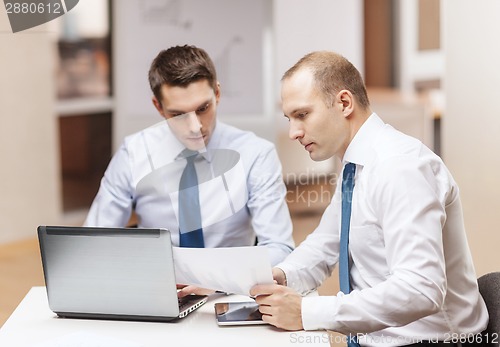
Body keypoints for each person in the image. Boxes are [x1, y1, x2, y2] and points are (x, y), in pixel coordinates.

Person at [250, 51, 488, 346]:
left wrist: (306, 311)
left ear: (344, 103)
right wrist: (280, 276)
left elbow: (421, 289)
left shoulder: (400, 167)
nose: (293, 133)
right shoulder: (356, 165)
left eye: (302, 115)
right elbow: (324, 244)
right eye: (289, 118)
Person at [84, 45, 294, 268]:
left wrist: (218, 276)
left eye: (203, 108)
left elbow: (280, 248)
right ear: (159, 107)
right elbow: (93, 243)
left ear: (217, 94)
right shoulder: (133, 153)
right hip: (158, 285)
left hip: (230, 290)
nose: (195, 127)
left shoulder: (256, 154)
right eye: (178, 115)